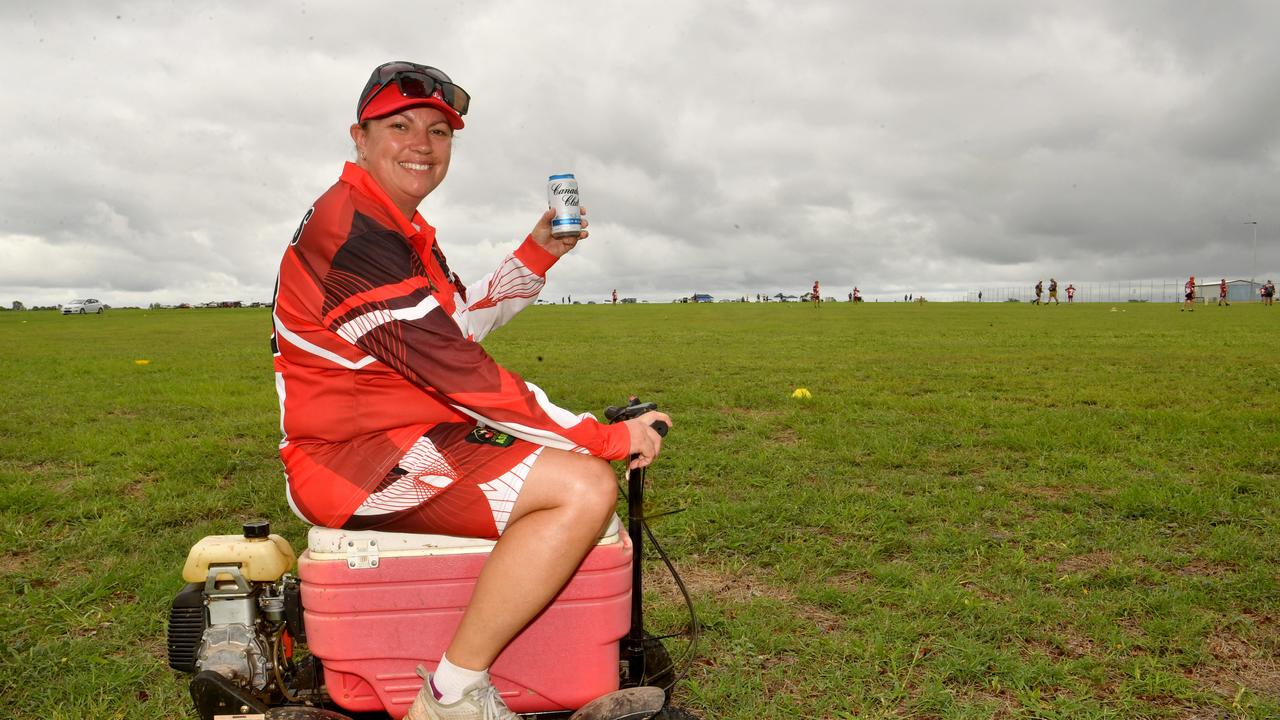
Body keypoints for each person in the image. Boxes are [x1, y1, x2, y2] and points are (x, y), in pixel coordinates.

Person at [271, 61, 671, 720]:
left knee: (568, 477)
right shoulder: (354, 234)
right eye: (399, 126)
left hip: (409, 438)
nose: (421, 145)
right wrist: (606, 438)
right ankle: (453, 699)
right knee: (583, 488)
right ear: (359, 137)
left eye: (438, 131)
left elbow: (454, 324)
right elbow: (460, 371)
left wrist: (539, 253)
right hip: (354, 461)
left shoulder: (394, 225)